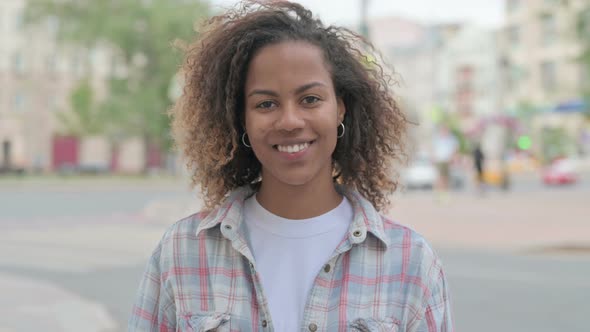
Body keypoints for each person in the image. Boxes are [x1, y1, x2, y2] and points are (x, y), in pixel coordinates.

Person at [129, 1, 453, 331]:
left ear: (340, 108)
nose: (289, 121)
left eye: (310, 99)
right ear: (242, 119)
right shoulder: (182, 252)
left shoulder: (411, 263)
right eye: (266, 104)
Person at [432, 126, 459, 196]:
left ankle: (445, 194)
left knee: (446, 178)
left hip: (448, 160)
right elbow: (433, 149)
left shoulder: (452, 139)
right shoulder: (437, 138)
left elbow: (455, 149)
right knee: (440, 177)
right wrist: (433, 158)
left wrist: (454, 158)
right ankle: (438, 193)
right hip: (439, 160)